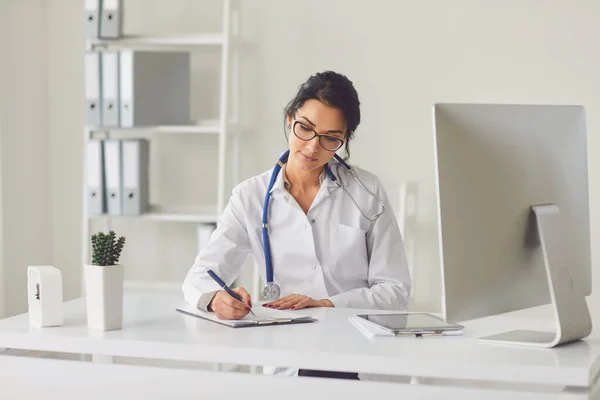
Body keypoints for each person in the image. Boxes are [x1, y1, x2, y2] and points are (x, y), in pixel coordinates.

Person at [182, 71, 412, 379]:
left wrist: (325, 304)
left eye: (331, 138)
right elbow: (200, 276)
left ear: (344, 140)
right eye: (305, 128)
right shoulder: (250, 197)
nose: (312, 147)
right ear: (290, 119)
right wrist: (216, 299)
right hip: (288, 360)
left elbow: (395, 293)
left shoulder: (366, 192)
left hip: (359, 357)